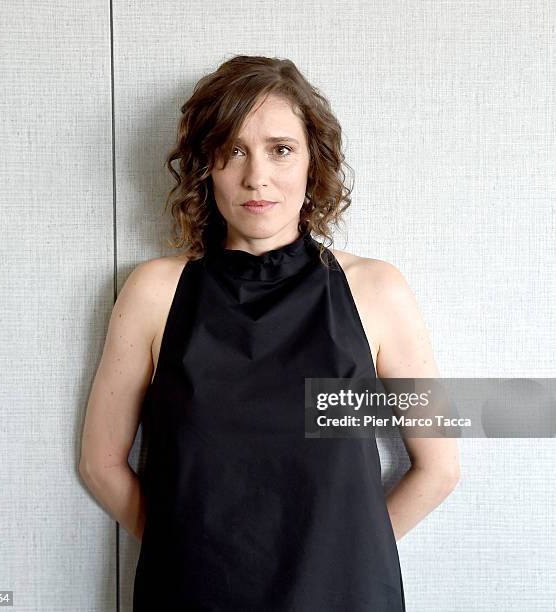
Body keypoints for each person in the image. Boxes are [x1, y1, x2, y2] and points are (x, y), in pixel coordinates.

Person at [79, 55, 460, 611]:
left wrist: (340, 561)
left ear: (313, 163)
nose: (256, 175)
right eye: (232, 149)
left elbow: (440, 468)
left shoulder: (379, 290)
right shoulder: (153, 292)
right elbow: (100, 464)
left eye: (281, 149)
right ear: (205, 165)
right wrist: (194, 557)